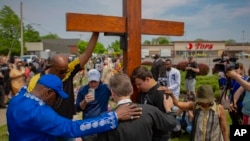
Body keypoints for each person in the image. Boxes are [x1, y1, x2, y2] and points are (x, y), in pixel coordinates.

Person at [7, 74, 143, 141]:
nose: (56, 101)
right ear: (48, 92)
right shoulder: (39, 112)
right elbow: (71, 128)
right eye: (57, 96)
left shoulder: (18, 99)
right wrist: (114, 116)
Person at [27, 32, 100, 141]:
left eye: (66, 71)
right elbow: (31, 106)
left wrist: (95, 34)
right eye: (61, 72)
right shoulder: (36, 80)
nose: (65, 74)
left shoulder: (67, 71)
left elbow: (86, 55)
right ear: (52, 67)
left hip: (65, 124)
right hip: (47, 126)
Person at [97, 73, 176, 141]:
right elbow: (171, 123)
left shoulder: (106, 118)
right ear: (131, 90)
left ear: (112, 93)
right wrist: (168, 109)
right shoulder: (150, 110)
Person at [159, 85, 229, 141]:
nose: (204, 103)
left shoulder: (219, 108)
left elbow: (224, 129)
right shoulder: (194, 105)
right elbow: (178, 104)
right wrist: (171, 95)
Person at [130, 66, 175, 141]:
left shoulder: (161, 94)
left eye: (139, 84)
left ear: (147, 79)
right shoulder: (143, 92)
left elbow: (166, 122)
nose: (137, 87)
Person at [75, 69, 111, 141]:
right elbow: (77, 109)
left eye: (95, 81)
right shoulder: (83, 90)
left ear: (99, 80)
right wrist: (85, 101)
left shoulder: (105, 88)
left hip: (102, 126)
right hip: (88, 127)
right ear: (88, 80)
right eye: (91, 81)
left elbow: (118, 91)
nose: (93, 84)